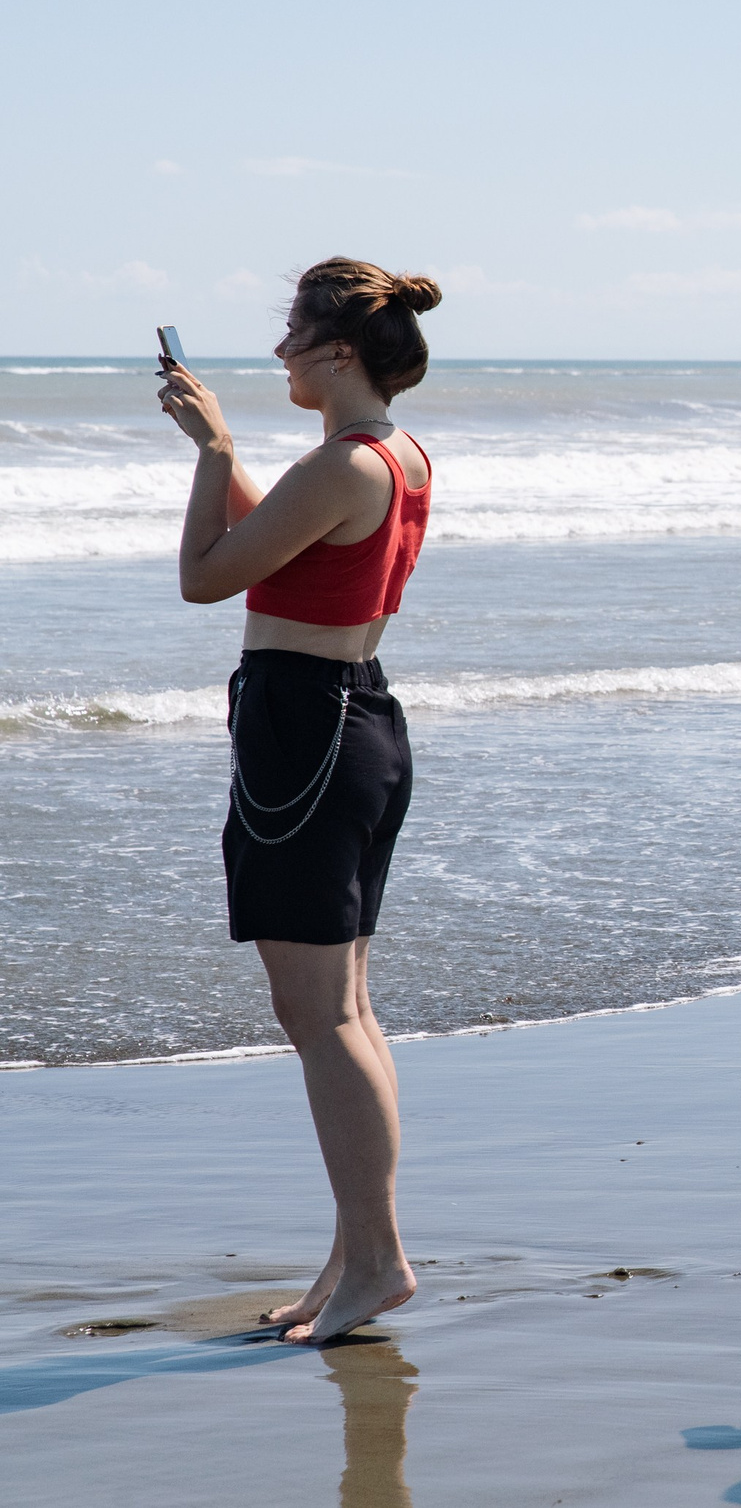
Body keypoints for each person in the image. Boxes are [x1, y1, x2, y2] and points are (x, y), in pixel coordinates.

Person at [154, 257, 440, 1344]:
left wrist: (217, 450)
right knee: (345, 1011)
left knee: (321, 1014)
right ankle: (354, 1252)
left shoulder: (342, 465)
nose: (277, 353)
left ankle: (377, 1258)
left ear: (337, 351)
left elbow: (207, 573)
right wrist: (220, 452)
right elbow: (269, 546)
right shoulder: (389, 454)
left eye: (290, 336)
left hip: (306, 731)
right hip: (348, 718)